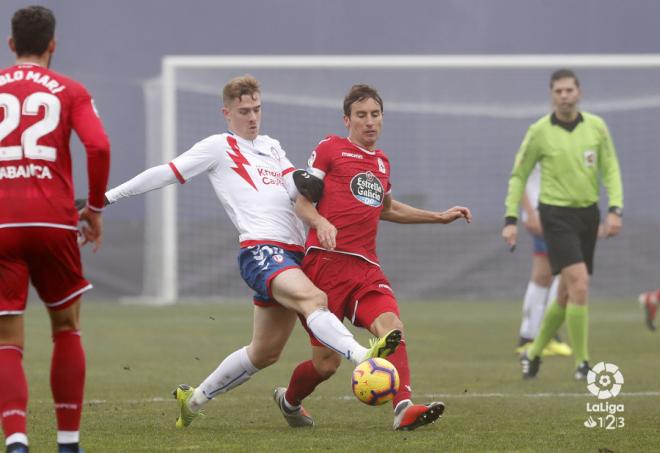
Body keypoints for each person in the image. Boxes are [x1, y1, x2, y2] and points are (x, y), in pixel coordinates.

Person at [101, 75, 400, 429]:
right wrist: (105, 197)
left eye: (257, 109)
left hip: (294, 254)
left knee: (265, 352)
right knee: (315, 300)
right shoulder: (218, 146)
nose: (253, 117)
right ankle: (364, 357)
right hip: (262, 248)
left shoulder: (272, 146)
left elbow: (294, 184)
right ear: (227, 113)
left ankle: (193, 400)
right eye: (244, 111)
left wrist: (305, 182)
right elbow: (166, 172)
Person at [272, 84, 472, 431]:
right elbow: (302, 201)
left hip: (365, 268)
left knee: (391, 328)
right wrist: (321, 222)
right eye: (361, 115)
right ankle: (289, 401)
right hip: (324, 266)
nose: (369, 122)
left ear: (382, 119)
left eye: (375, 115)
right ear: (347, 119)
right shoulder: (330, 148)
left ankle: (403, 408)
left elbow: (389, 209)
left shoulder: (382, 162)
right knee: (326, 364)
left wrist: (439, 216)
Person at [0, 6, 111, 453]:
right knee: (66, 327)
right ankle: (68, 443)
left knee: (7, 335)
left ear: (11, 45)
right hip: (52, 220)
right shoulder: (71, 90)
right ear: (52, 45)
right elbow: (98, 145)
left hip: (3, 222)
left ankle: (18, 441)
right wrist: (96, 208)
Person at [502, 68, 623, 380]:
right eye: (559, 91)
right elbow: (519, 175)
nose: (565, 96)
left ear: (579, 92)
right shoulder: (539, 131)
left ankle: (534, 351)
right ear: (552, 95)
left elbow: (611, 168)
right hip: (554, 216)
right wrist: (511, 218)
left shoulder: (597, 127)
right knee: (580, 283)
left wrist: (615, 209)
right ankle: (583, 363)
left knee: (567, 292)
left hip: (587, 214)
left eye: (570, 90)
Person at [515, 166, 572, 357]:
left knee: (545, 275)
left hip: (557, 214)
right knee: (559, 272)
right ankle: (537, 337)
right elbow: (518, 177)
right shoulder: (536, 138)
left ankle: (533, 336)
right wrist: (530, 213)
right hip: (543, 215)